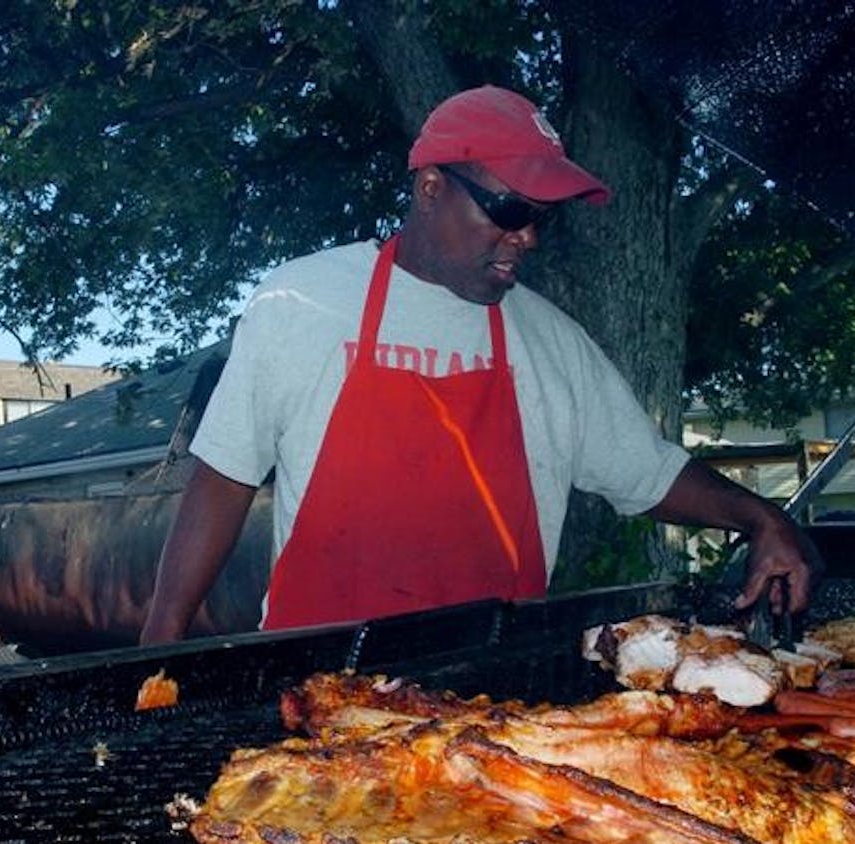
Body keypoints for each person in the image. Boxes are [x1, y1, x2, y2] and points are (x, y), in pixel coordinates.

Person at [140, 85, 814, 644]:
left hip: (491, 707)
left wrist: (760, 518)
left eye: (540, 218)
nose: (525, 237)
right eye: (511, 208)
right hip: (318, 690)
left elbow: (650, 472)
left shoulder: (552, 343)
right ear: (431, 188)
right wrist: (160, 641)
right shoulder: (302, 302)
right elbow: (224, 476)